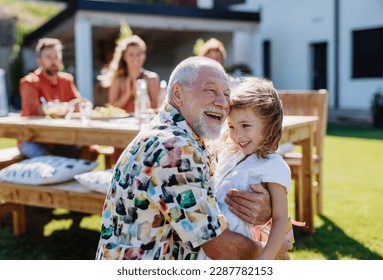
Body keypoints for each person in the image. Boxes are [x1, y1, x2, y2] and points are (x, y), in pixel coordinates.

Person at [95, 56, 291, 260]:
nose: (224, 103)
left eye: (226, 94)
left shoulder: (188, 135)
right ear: (178, 94)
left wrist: (265, 208)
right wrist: (274, 253)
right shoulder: (174, 148)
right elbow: (220, 247)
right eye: (211, 90)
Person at [198, 77, 292, 260]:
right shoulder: (229, 154)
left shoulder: (273, 165)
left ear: (269, 125)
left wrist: (264, 258)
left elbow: (281, 218)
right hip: (210, 244)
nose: (237, 135)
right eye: (232, 126)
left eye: (246, 126)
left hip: (236, 250)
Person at [18, 37, 85, 159]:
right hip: (32, 139)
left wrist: (68, 106)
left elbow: (79, 103)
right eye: (48, 57)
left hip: (60, 137)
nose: (53, 61)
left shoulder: (66, 79)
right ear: (39, 60)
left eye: (56, 56)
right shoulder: (30, 82)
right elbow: (32, 111)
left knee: (88, 147)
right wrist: (65, 107)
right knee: (46, 161)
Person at [99, 35, 160, 113]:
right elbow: (112, 107)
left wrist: (137, 95)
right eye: (131, 54)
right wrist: (127, 94)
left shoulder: (152, 79)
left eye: (139, 54)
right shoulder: (118, 79)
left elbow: (157, 107)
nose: (135, 58)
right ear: (124, 57)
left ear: (144, 56)